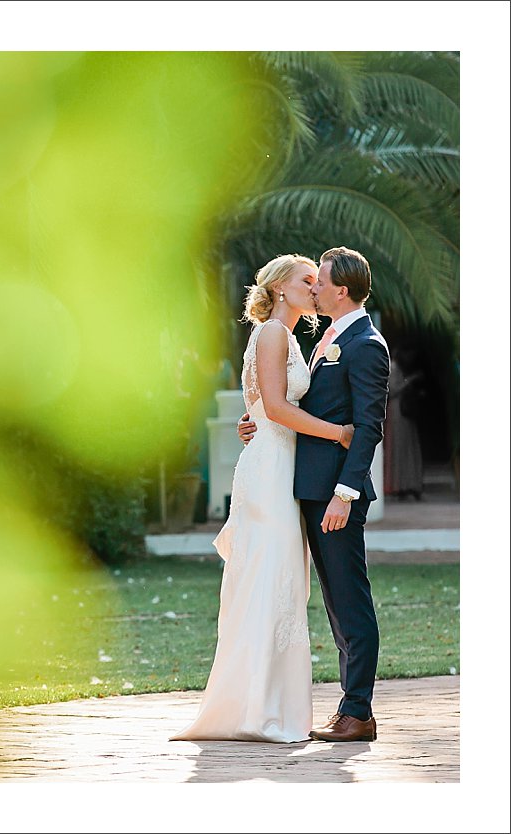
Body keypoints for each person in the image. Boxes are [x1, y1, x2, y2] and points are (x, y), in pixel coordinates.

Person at [171, 254, 354, 743]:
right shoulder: (274, 333)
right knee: (270, 579)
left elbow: (264, 406)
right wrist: (339, 433)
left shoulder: (287, 336)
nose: (316, 288)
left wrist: (256, 419)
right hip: (271, 471)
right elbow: (273, 406)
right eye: (307, 280)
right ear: (279, 288)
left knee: (278, 583)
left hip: (278, 465)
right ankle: (255, 710)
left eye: (317, 281)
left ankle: (264, 705)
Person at [236, 246, 389, 743]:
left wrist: (345, 494)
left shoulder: (366, 343)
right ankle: (349, 707)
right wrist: (256, 419)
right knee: (334, 603)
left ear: (340, 290)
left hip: (335, 494)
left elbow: (366, 428)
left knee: (350, 601)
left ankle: (357, 711)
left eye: (319, 282)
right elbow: (285, 401)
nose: (314, 288)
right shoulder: (325, 338)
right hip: (307, 487)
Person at [384, 348, 425, 500]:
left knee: (405, 448)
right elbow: (393, 389)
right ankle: (399, 485)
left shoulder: (396, 368)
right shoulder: (393, 367)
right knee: (399, 447)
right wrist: (410, 380)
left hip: (401, 412)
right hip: (398, 412)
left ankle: (405, 484)